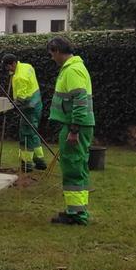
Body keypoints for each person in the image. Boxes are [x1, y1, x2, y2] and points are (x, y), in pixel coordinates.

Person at [46, 37, 95, 225]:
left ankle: (76, 215)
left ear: (58, 50)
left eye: (52, 54)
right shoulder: (73, 68)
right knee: (77, 167)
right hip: (77, 125)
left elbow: (80, 101)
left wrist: (74, 130)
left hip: (76, 126)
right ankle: (76, 210)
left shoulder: (73, 70)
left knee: (73, 167)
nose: (52, 58)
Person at [1, 54, 46, 172]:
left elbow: (21, 99)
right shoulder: (27, 66)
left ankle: (27, 164)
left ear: (13, 64)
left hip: (29, 107)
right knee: (33, 133)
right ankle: (40, 161)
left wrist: (8, 107)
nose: (7, 70)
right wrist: (13, 73)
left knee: (26, 134)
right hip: (37, 104)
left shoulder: (19, 77)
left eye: (7, 67)